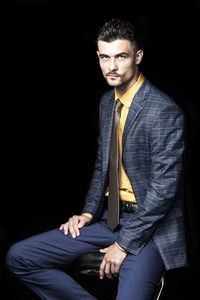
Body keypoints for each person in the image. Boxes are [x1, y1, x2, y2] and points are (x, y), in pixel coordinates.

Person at [6, 18, 187, 300]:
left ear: (138, 57)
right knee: (20, 257)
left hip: (149, 230)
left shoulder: (163, 110)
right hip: (108, 220)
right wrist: (88, 213)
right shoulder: (107, 102)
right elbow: (105, 164)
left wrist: (124, 245)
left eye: (121, 56)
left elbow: (164, 191)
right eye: (105, 57)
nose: (111, 66)